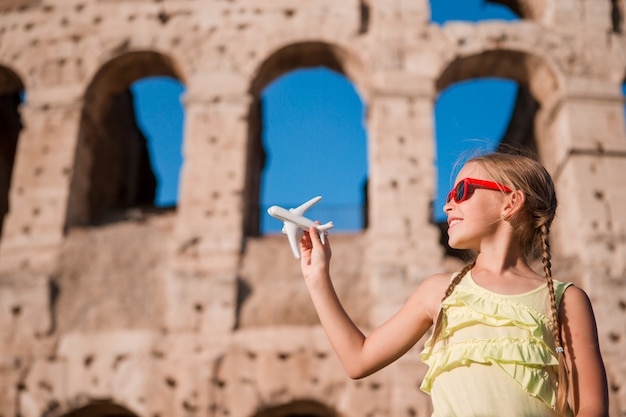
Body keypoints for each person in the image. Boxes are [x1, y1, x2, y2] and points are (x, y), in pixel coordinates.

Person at [299, 151, 608, 416]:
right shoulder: (439, 291)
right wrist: (317, 278)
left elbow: (591, 408)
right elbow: (358, 359)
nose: (448, 206)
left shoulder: (565, 300)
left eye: (462, 192)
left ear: (510, 202)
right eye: (448, 197)